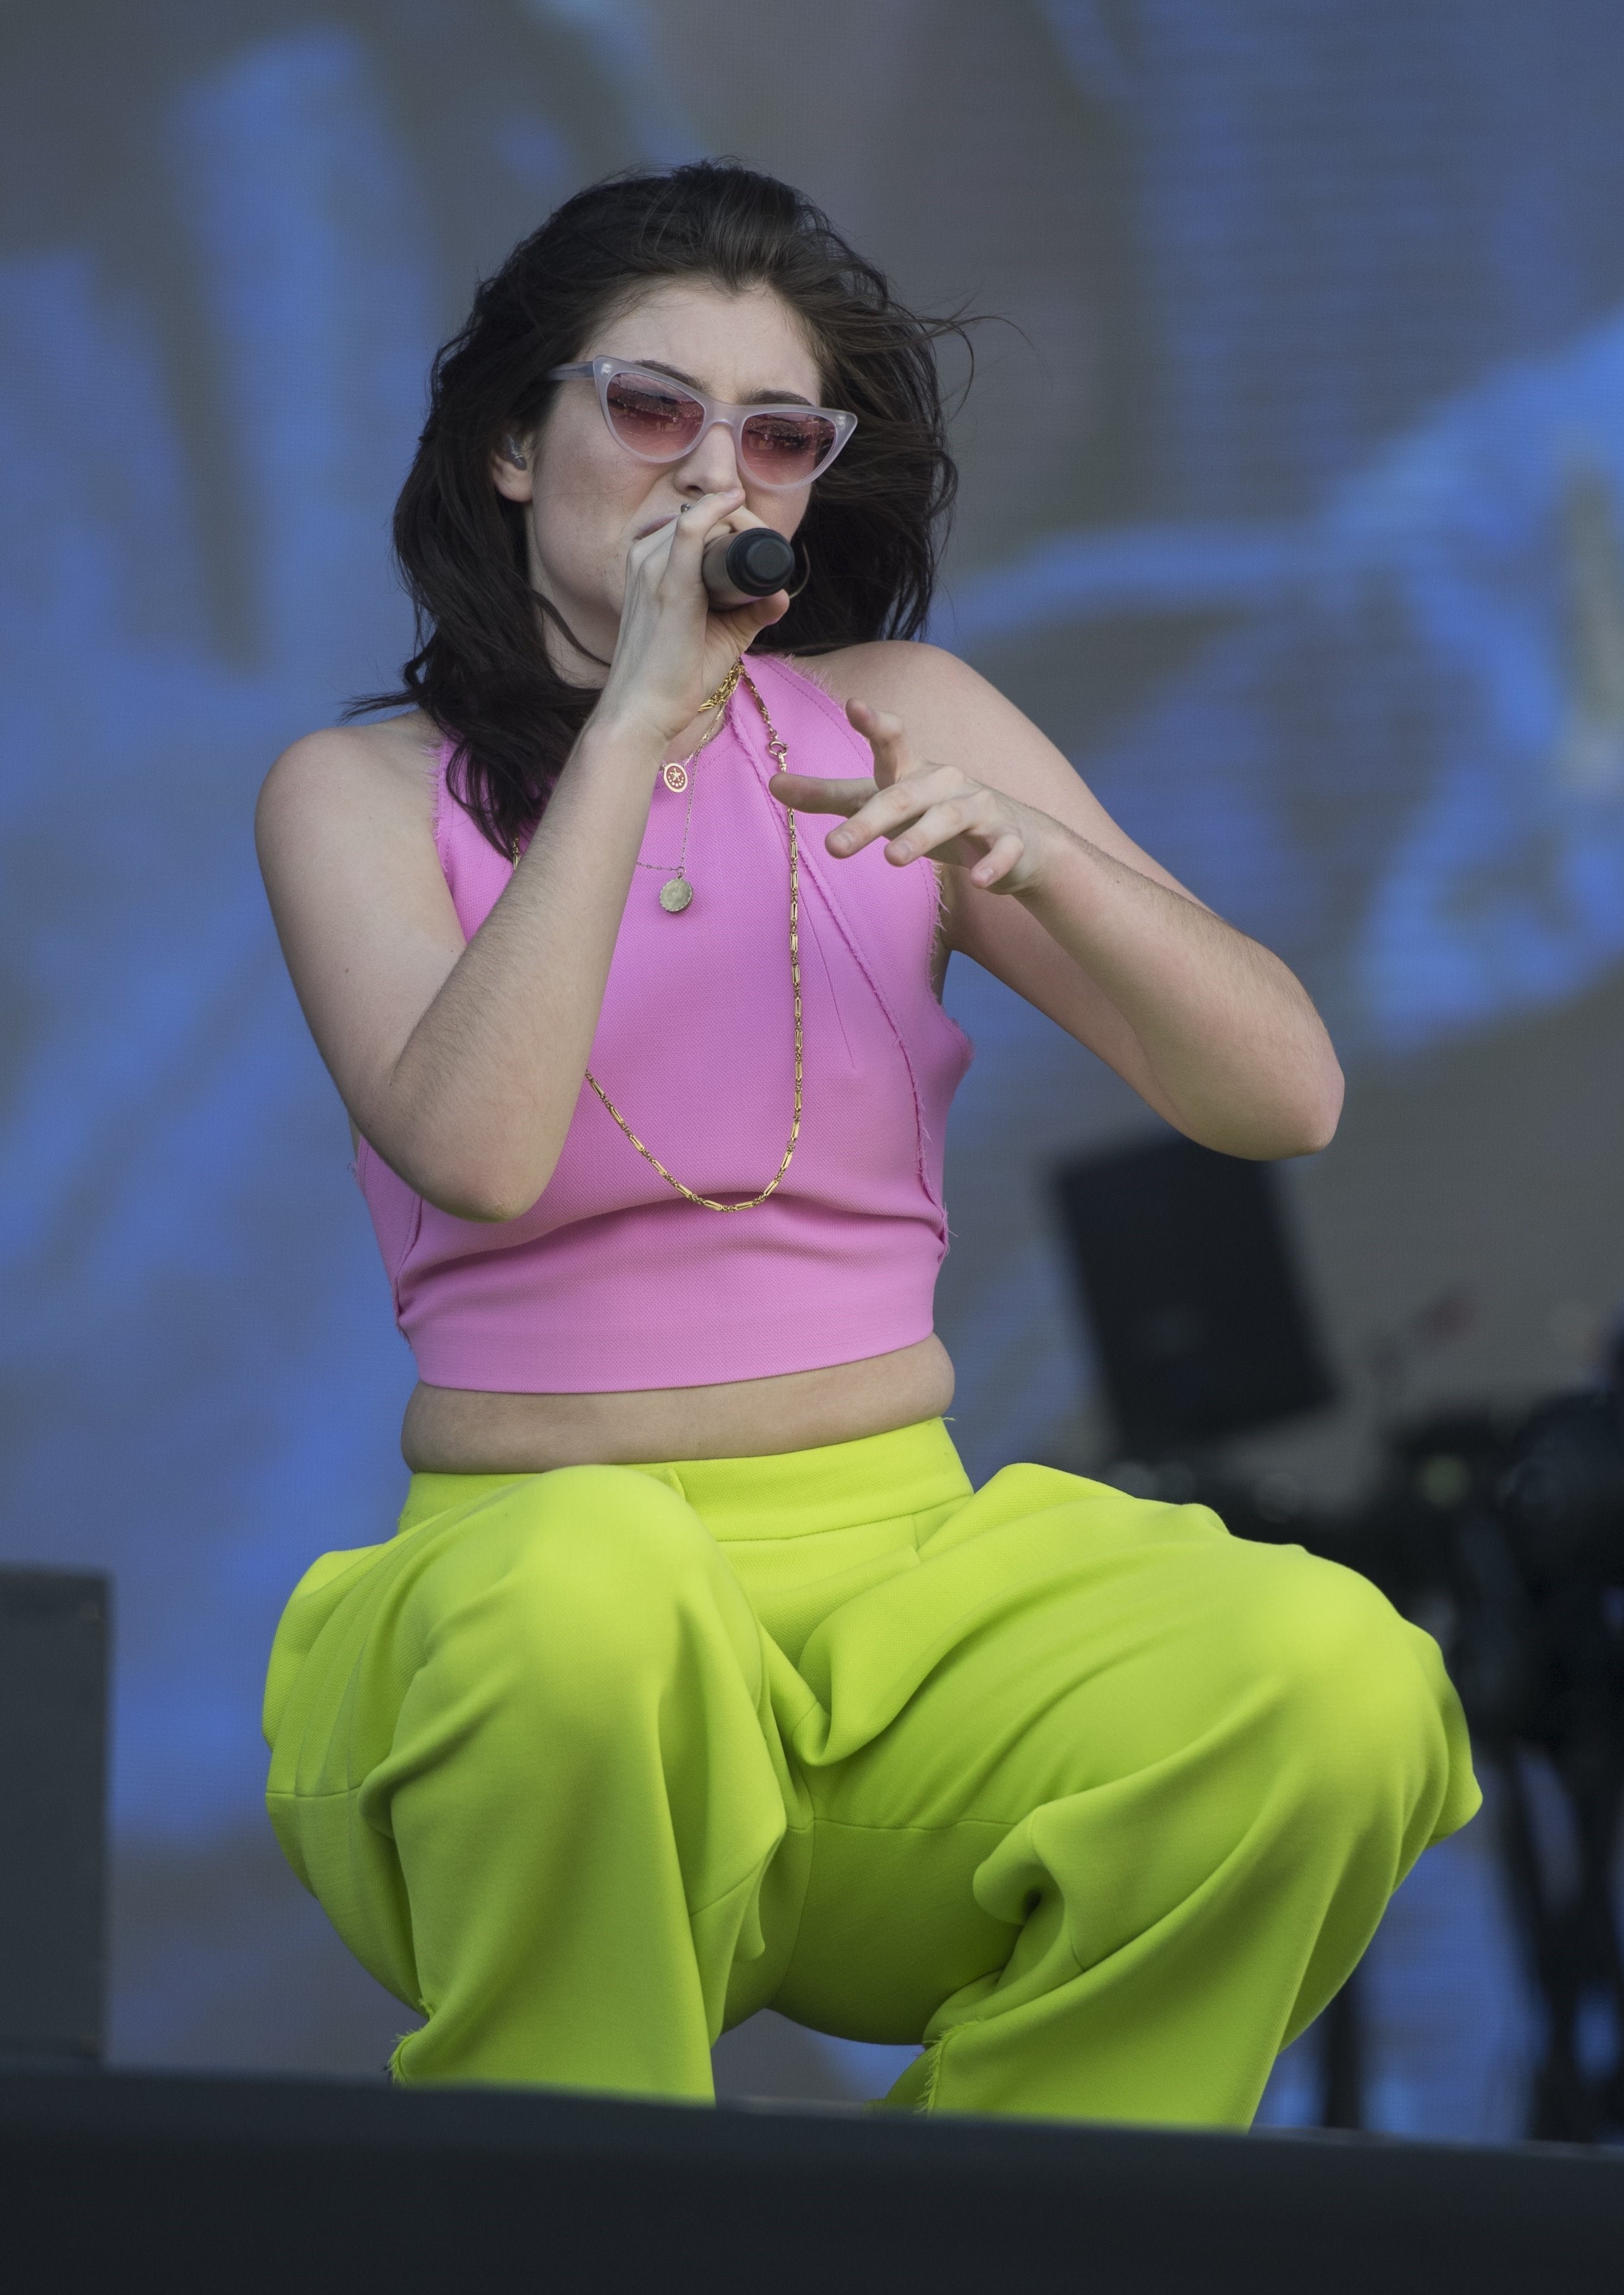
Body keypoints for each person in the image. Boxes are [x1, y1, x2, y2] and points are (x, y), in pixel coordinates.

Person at [255, 161, 1477, 2121]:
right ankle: (567, 2232)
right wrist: (637, 728)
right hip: (531, 1610)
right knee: (591, 1593)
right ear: (512, 442)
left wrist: (1053, 864)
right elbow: (476, 1147)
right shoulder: (357, 791)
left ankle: (995, 2231)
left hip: (903, 1580)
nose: (708, 470)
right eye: (650, 406)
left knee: (1328, 1679)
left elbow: (1285, 1098)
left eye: (774, 434)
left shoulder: (897, 716)